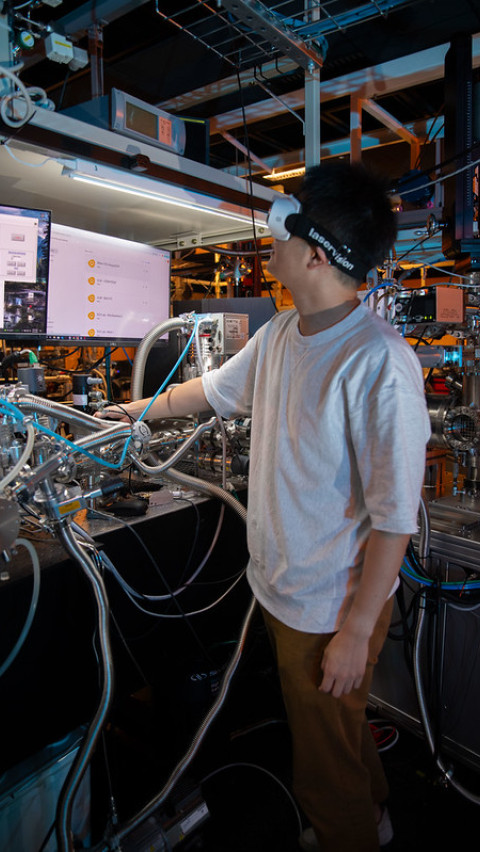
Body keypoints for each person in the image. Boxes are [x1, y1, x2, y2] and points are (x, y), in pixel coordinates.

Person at [99, 161, 430, 851]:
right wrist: (122, 415)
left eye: (282, 227)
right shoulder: (284, 333)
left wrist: (354, 629)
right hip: (287, 592)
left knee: (321, 767)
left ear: (315, 253)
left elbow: (397, 517)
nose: (264, 242)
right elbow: (211, 392)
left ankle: (350, 830)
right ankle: (372, 815)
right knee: (337, 734)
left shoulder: (378, 362)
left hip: (329, 608)